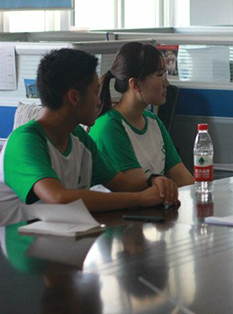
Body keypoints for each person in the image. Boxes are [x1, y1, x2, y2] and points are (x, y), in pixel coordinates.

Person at [0, 49, 172, 227]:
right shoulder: (24, 141)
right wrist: (139, 199)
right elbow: (58, 199)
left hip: (61, 239)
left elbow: (125, 185)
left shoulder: (78, 136)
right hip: (13, 242)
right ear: (74, 98)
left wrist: (154, 181)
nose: (99, 101)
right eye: (95, 92)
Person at [90, 42, 194, 188]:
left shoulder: (153, 121)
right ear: (135, 84)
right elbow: (138, 188)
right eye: (160, 75)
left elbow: (183, 179)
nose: (167, 83)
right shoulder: (109, 127)